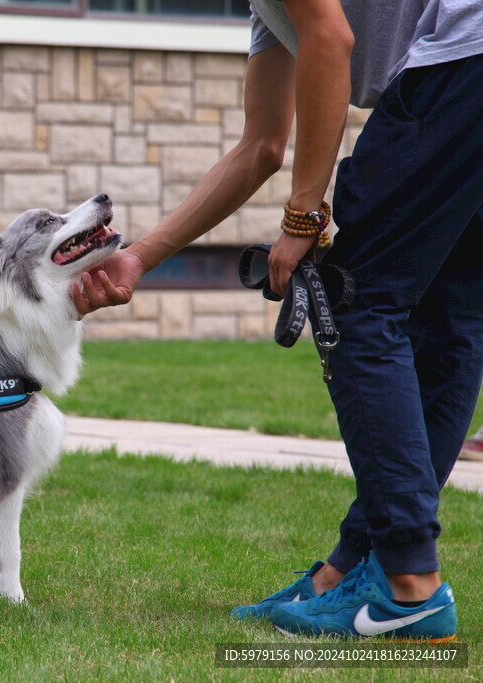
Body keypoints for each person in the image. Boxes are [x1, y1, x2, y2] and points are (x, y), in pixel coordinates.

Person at [73, 0, 483, 641]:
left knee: (354, 300)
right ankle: (354, 570)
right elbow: (262, 144)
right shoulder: (268, 10)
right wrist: (140, 258)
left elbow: (331, 36)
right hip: (463, 73)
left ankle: (410, 586)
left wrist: (302, 217)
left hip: (464, 62)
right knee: (448, 323)